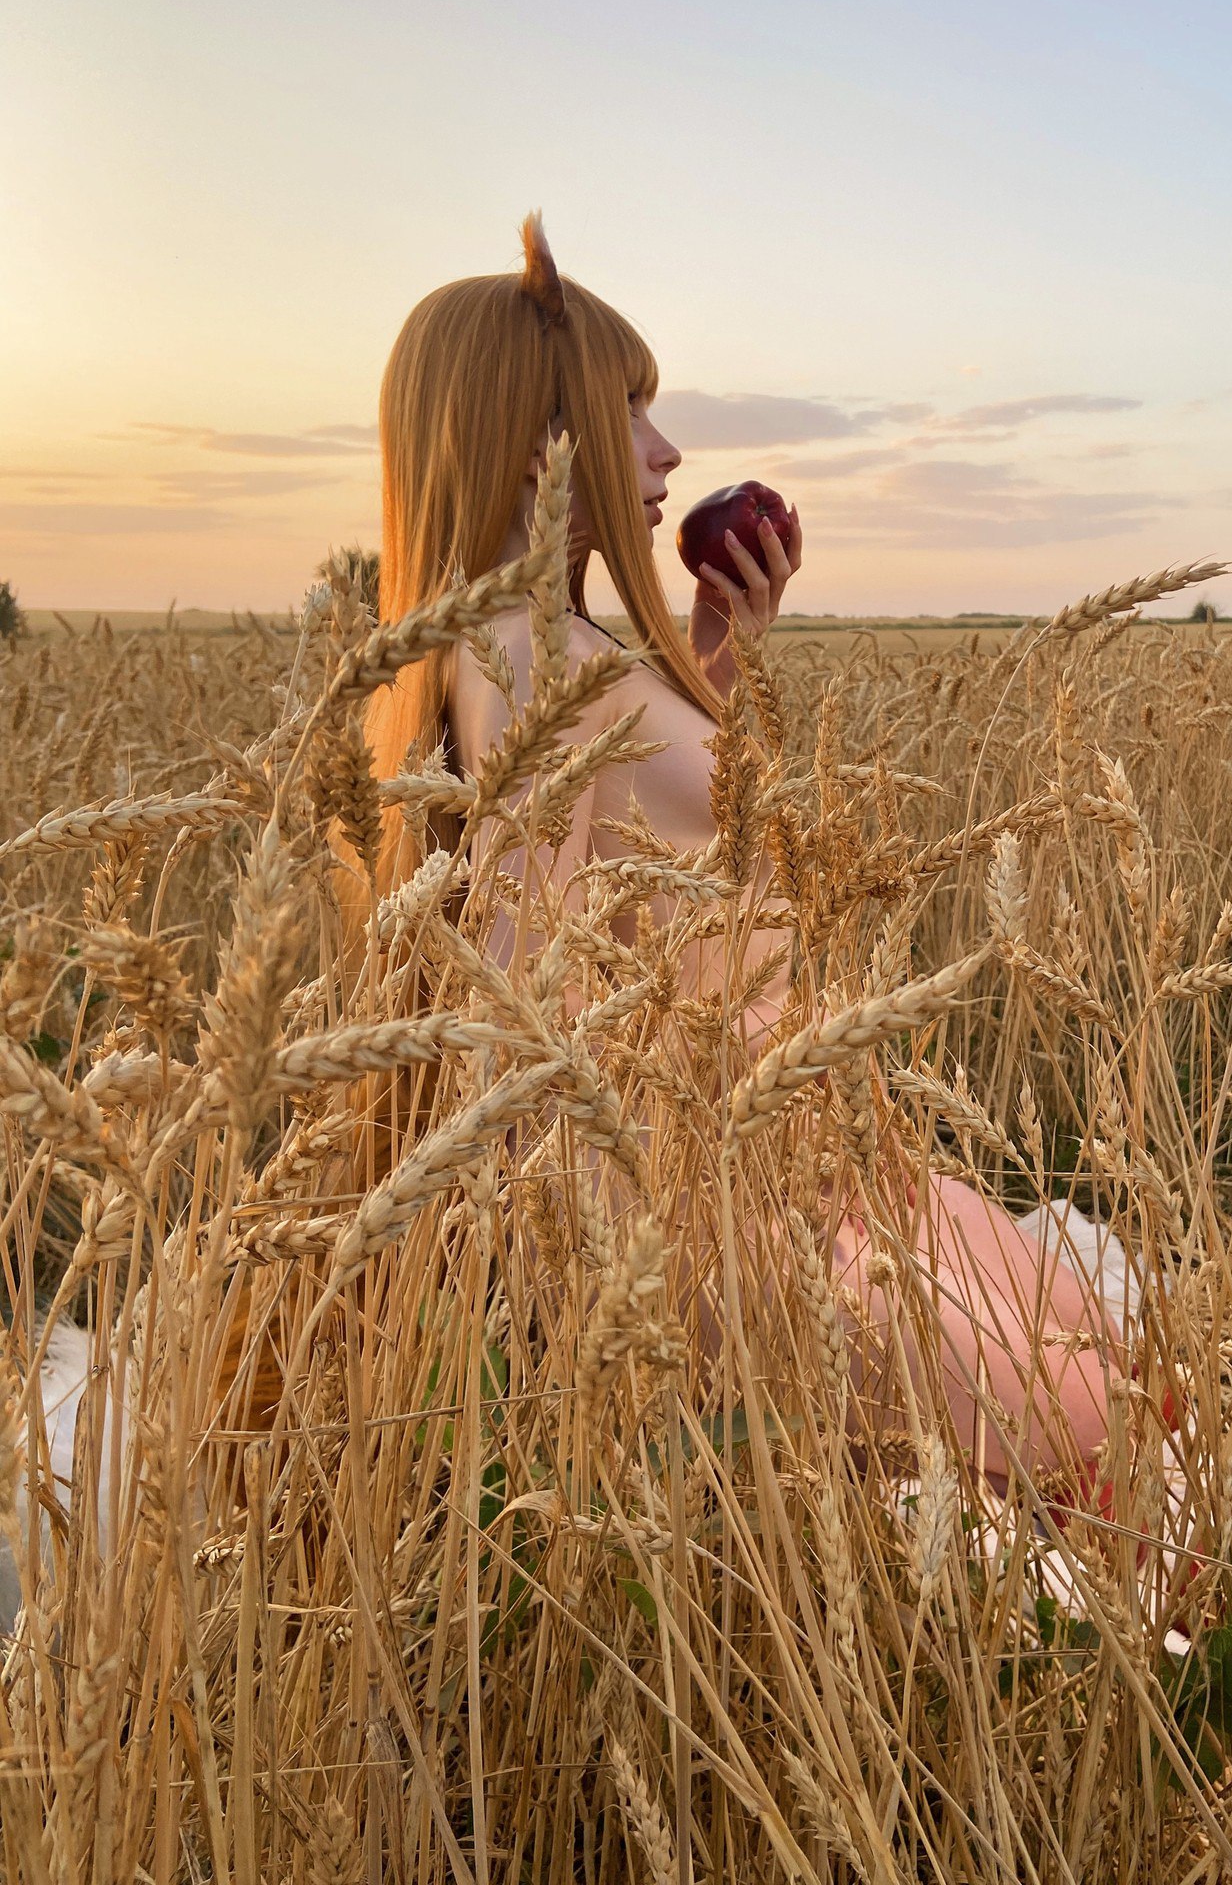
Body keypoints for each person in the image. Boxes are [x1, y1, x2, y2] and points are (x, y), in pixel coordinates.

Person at [364, 214, 1119, 1490]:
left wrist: (721, 650)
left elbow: (642, 845)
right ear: (534, 431)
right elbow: (528, 1004)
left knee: (1083, 1360)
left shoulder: (548, 643)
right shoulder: (526, 654)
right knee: (1077, 1408)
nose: (664, 451)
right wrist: (647, 1291)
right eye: (626, 411)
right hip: (716, 1213)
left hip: (795, 1157)